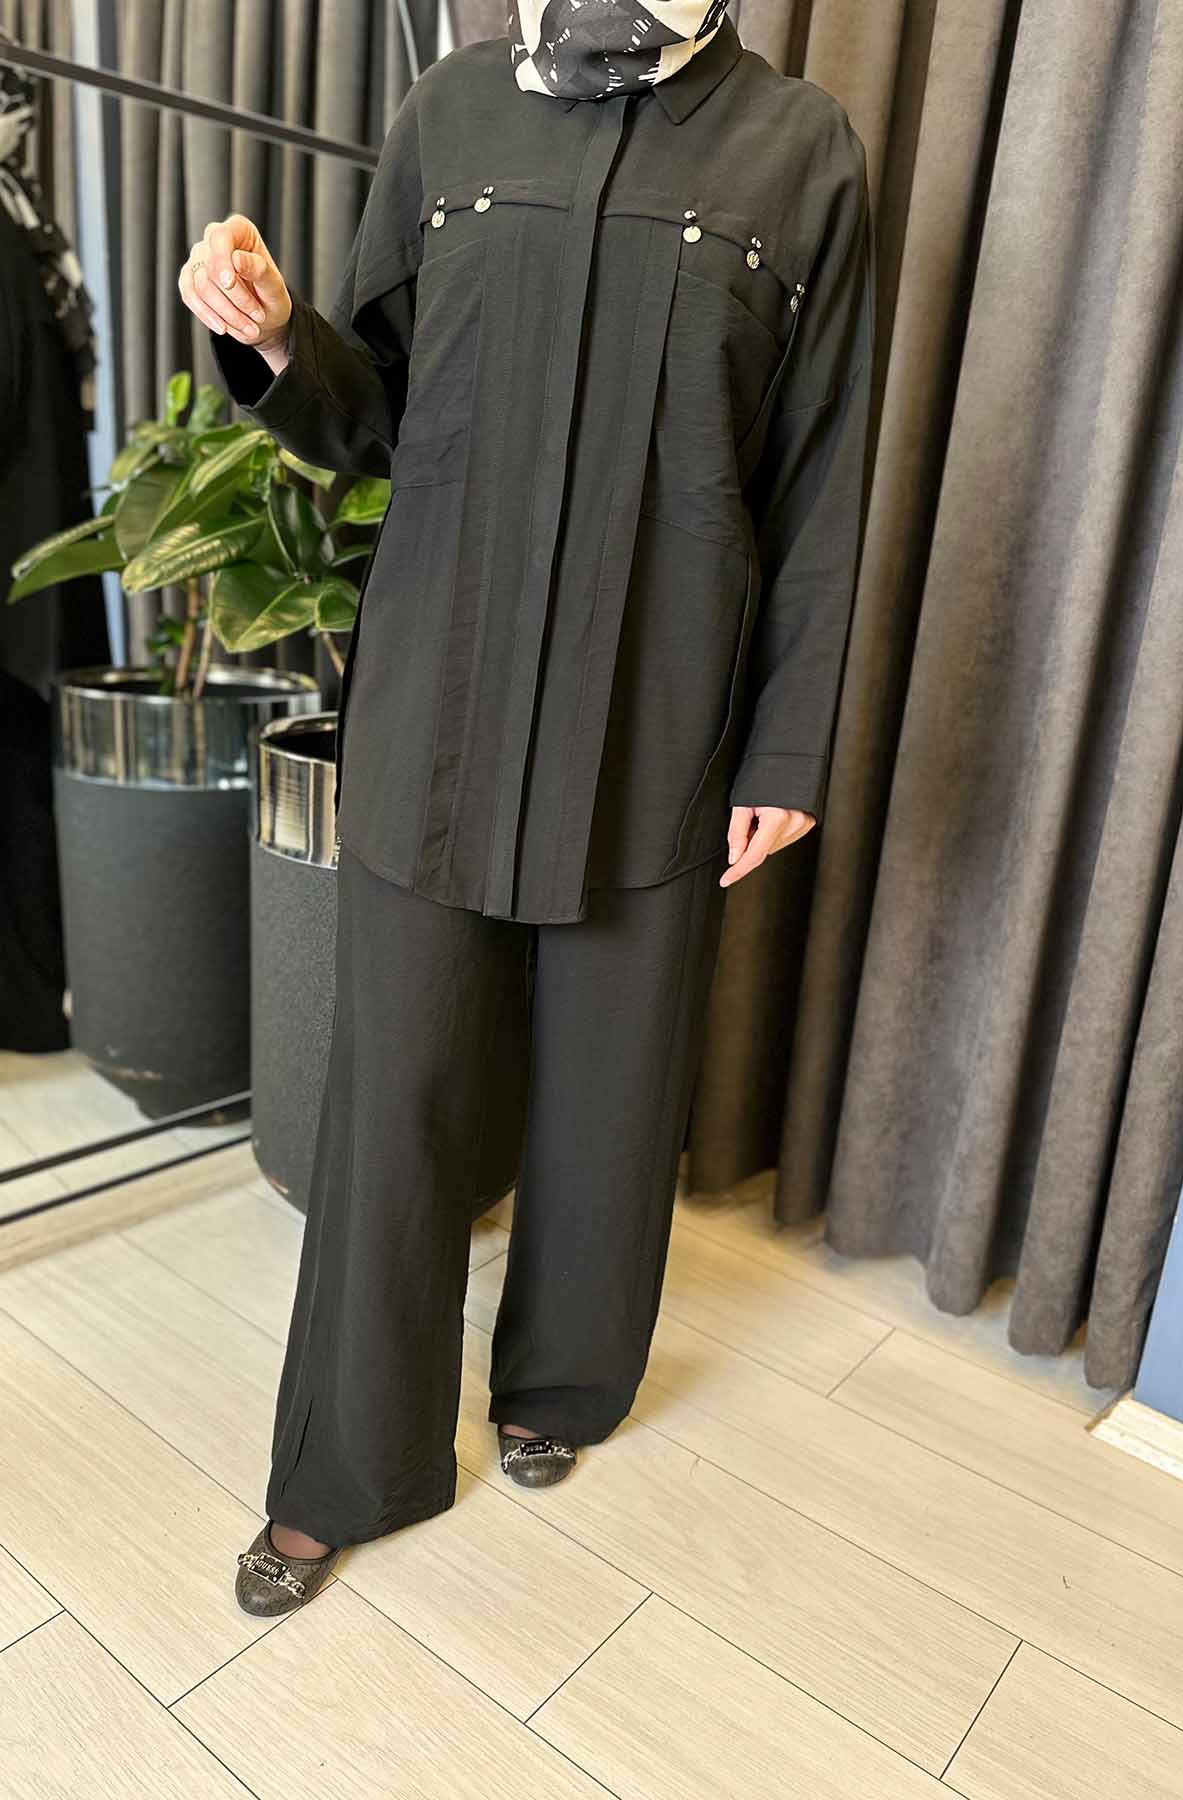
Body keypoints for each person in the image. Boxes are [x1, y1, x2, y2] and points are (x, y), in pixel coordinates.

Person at [180, 0, 874, 1618]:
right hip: (441, 697)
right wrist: (277, 338)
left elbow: (823, 474)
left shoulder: (804, 154)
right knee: (396, 1087)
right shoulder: (453, 115)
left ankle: (559, 1383)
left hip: (657, 702)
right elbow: (373, 414)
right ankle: (349, 1465)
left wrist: (789, 750)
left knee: (611, 1082)